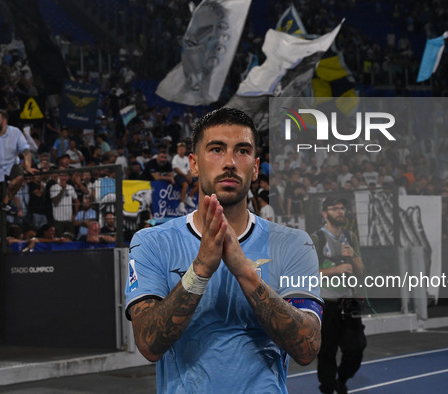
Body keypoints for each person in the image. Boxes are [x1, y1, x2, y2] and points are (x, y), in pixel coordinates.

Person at [125, 107, 322, 393]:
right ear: (193, 164)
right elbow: (149, 344)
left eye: (242, 151)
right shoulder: (152, 242)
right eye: (216, 149)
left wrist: (246, 272)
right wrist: (200, 270)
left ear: (255, 168)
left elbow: (307, 347)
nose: (229, 162)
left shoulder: (294, 244)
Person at [310, 196, 366, 394]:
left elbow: (360, 270)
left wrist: (352, 257)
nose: (340, 212)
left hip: (348, 302)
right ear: (325, 213)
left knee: (356, 349)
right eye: (335, 208)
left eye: (342, 208)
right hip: (326, 303)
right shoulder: (316, 238)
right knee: (327, 351)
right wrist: (336, 270)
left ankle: (341, 379)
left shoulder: (350, 237)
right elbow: (308, 274)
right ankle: (327, 388)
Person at [0, 110, 37, 240]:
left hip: (10, 166)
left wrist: (27, 166)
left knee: (19, 177)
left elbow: (26, 151)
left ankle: (5, 202)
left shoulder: (15, 132)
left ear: (4, 121)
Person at [172, 141, 198, 213]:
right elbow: (175, 169)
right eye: (180, 149)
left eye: (182, 149)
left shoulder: (186, 158)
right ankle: (181, 204)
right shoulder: (176, 157)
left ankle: (189, 197)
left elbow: (189, 170)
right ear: (177, 150)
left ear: (185, 150)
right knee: (185, 185)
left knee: (198, 184)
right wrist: (185, 176)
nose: (181, 150)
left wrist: (189, 177)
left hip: (186, 175)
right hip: (178, 175)